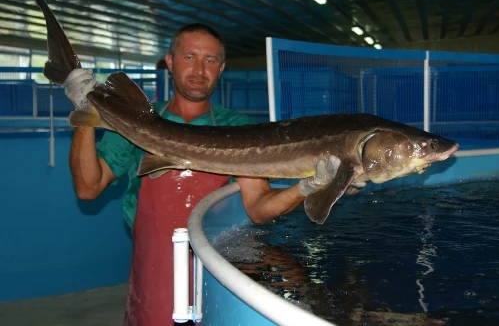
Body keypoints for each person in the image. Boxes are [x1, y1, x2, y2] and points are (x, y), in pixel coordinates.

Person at [63, 23, 341, 326]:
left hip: (216, 275)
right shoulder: (137, 123)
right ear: (170, 61)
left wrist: (306, 187)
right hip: (151, 277)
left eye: (210, 60)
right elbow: (87, 188)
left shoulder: (237, 129)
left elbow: (259, 207)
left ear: (221, 68)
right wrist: (85, 113)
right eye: (190, 57)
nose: (199, 69)